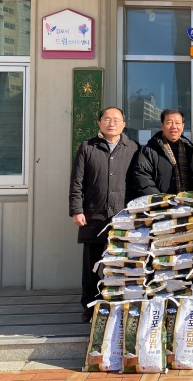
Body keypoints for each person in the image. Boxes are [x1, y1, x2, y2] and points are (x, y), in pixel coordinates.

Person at [69, 107, 140, 322]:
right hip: (94, 215)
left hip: (123, 217)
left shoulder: (134, 148)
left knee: (121, 263)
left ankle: (118, 304)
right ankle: (90, 306)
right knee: (92, 265)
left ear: (124, 124)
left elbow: (138, 183)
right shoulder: (87, 147)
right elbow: (77, 182)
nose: (112, 123)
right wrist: (76, 210)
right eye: (107, 119)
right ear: (99, 123)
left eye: (116, 119)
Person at [132, 109, 193, 195]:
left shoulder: (191, 149)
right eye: (169, 123)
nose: (174, 126)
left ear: (182, 126)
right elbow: (142, 178)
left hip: (188, 203)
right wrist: (159, 200)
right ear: (162, 125)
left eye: (177, 123)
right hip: (161, 205)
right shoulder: (149, 150)